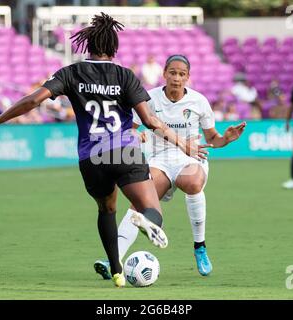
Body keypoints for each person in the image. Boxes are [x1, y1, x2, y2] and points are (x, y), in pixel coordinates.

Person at [0, 13, 207, 287]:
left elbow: (34, 100)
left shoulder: (71, 73)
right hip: (124, 151)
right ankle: (144, 219)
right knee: (150, 208)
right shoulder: (124, 75)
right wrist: (182, 142)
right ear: (114, 47)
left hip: (91, 157)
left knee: (106, 210)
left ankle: (118, 272)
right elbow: (149, 121)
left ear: (87, 46)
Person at [93, 55, 246, 279]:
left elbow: (213, 138)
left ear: (188, 77)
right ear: (164, 73)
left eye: (182, 74)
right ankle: (112, 260)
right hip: (158, 160)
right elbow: (130, 130)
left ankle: (200, 247)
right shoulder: (149, 99)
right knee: (140, 202)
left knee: (193, 183)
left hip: (191, 157)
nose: (176, 78)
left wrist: (226, 139)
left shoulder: (199, 101)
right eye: (172, 73)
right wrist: (137, 135)